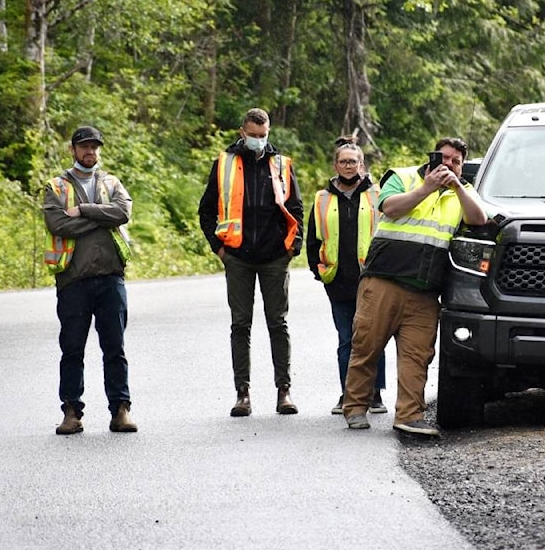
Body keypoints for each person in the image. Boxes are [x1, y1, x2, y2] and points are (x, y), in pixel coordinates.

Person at [342, 137, 487, 436]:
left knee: (417, 356)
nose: (448, 165)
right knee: (366, 347)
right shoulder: (403, 177)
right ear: (431, 157)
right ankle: (355, 407)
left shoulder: (463, 192)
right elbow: (389, 208)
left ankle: (409, 415)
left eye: (456, 162)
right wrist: (427, 188)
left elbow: (479, 219)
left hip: (425, 291)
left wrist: (457, 186)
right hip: (384, 280)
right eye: (444, 158)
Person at [198, 108, 304, 417]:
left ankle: (284, 391)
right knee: (240, 324)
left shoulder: (281, 164)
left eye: (263, 135)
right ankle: (242, 393)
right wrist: (219, 249)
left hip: (274, 258)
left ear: (268, 132)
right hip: (238, 258)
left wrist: (291, 249)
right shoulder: (224, 164)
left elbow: (296, 208)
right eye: (253, 135)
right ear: (242, 132)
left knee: (278, 324)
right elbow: (207, 211)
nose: (258, 140)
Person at [43, 125, 136, 435]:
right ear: (73, 150)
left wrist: (83, 210)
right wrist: (101, 221)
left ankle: (120, 410)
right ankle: (71, 411)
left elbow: (122, 212)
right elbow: (57, 223)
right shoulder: (56, 186)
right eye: (84, 146)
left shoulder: (111, 182)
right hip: (73, 280)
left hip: (111, 278)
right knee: (72, 350)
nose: (90, 151)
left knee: (115, 348)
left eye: (95, 146)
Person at [307, 137, 388, 415]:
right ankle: (348, 394)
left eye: (353, 161)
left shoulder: (378, 195)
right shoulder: (322, 198)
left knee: (373, 338)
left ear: (361, 164)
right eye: (343, 161)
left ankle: (375, 394)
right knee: (347, 340)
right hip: (338, 281)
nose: (348, 166)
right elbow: (312, 239)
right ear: (335, 164)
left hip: (373, 279)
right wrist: (317, 271)